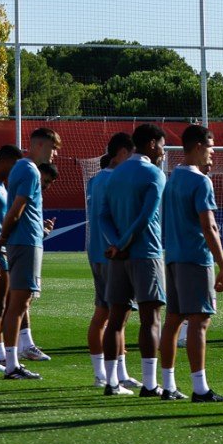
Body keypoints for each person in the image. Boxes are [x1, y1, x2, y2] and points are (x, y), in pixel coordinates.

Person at [159, 124, 223, 403]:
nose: (213, 154)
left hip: (174, 256)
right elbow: (209, 226)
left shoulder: (173, 178)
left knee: (173, 321)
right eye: (211, 148)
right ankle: (200, 388)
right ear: (199, 147)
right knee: (200, 322)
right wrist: (222, 264)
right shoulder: (201, 182)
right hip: (195, 259)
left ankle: (167, 384)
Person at [100, 123, 169, 397]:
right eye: (162, 145)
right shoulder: (154, 174)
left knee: (115, 319)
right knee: (150, 318)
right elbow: (145, 217)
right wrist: (125, 242)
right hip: (145, 253)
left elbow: (102, 216)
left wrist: (116, 245)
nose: (164, 151)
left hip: (119, 257)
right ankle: (150, 384)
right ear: (152, 144)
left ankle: (111, 382)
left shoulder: (115, 173)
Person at [0, 127, 60, 380]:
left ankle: (12, 361)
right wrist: (3, 236)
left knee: (20, 303)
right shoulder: (30, 170)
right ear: (40, 145)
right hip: (25, 242)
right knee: (18, 304)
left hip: (25, 241)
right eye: (53, 147)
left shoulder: (24, 169)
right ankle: (11, 365)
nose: (54, 153)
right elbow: (17, 208)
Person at [87, 134, 139, 392]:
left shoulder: (96, 180)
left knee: (109, 314)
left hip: (97, 251)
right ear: (121, 153)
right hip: (111, 252)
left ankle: (115, 372)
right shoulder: (114, 180)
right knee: (113, 315)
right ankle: (108, 375)